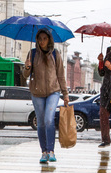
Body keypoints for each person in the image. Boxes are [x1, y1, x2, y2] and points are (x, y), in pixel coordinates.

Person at [23, 28, 69, 164]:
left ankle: (51, 151)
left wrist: (65, 94)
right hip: (37, 92)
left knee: (49, 119)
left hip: (53, 92)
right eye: (40, 39)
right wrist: (27, 67)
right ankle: (43, 152)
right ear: (37, 40)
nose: (42, 41)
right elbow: (25, 76)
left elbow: (61, 74)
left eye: (45, 38)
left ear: (49, 40)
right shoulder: (32, 54)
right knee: (41, 123)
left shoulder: (55, 54)